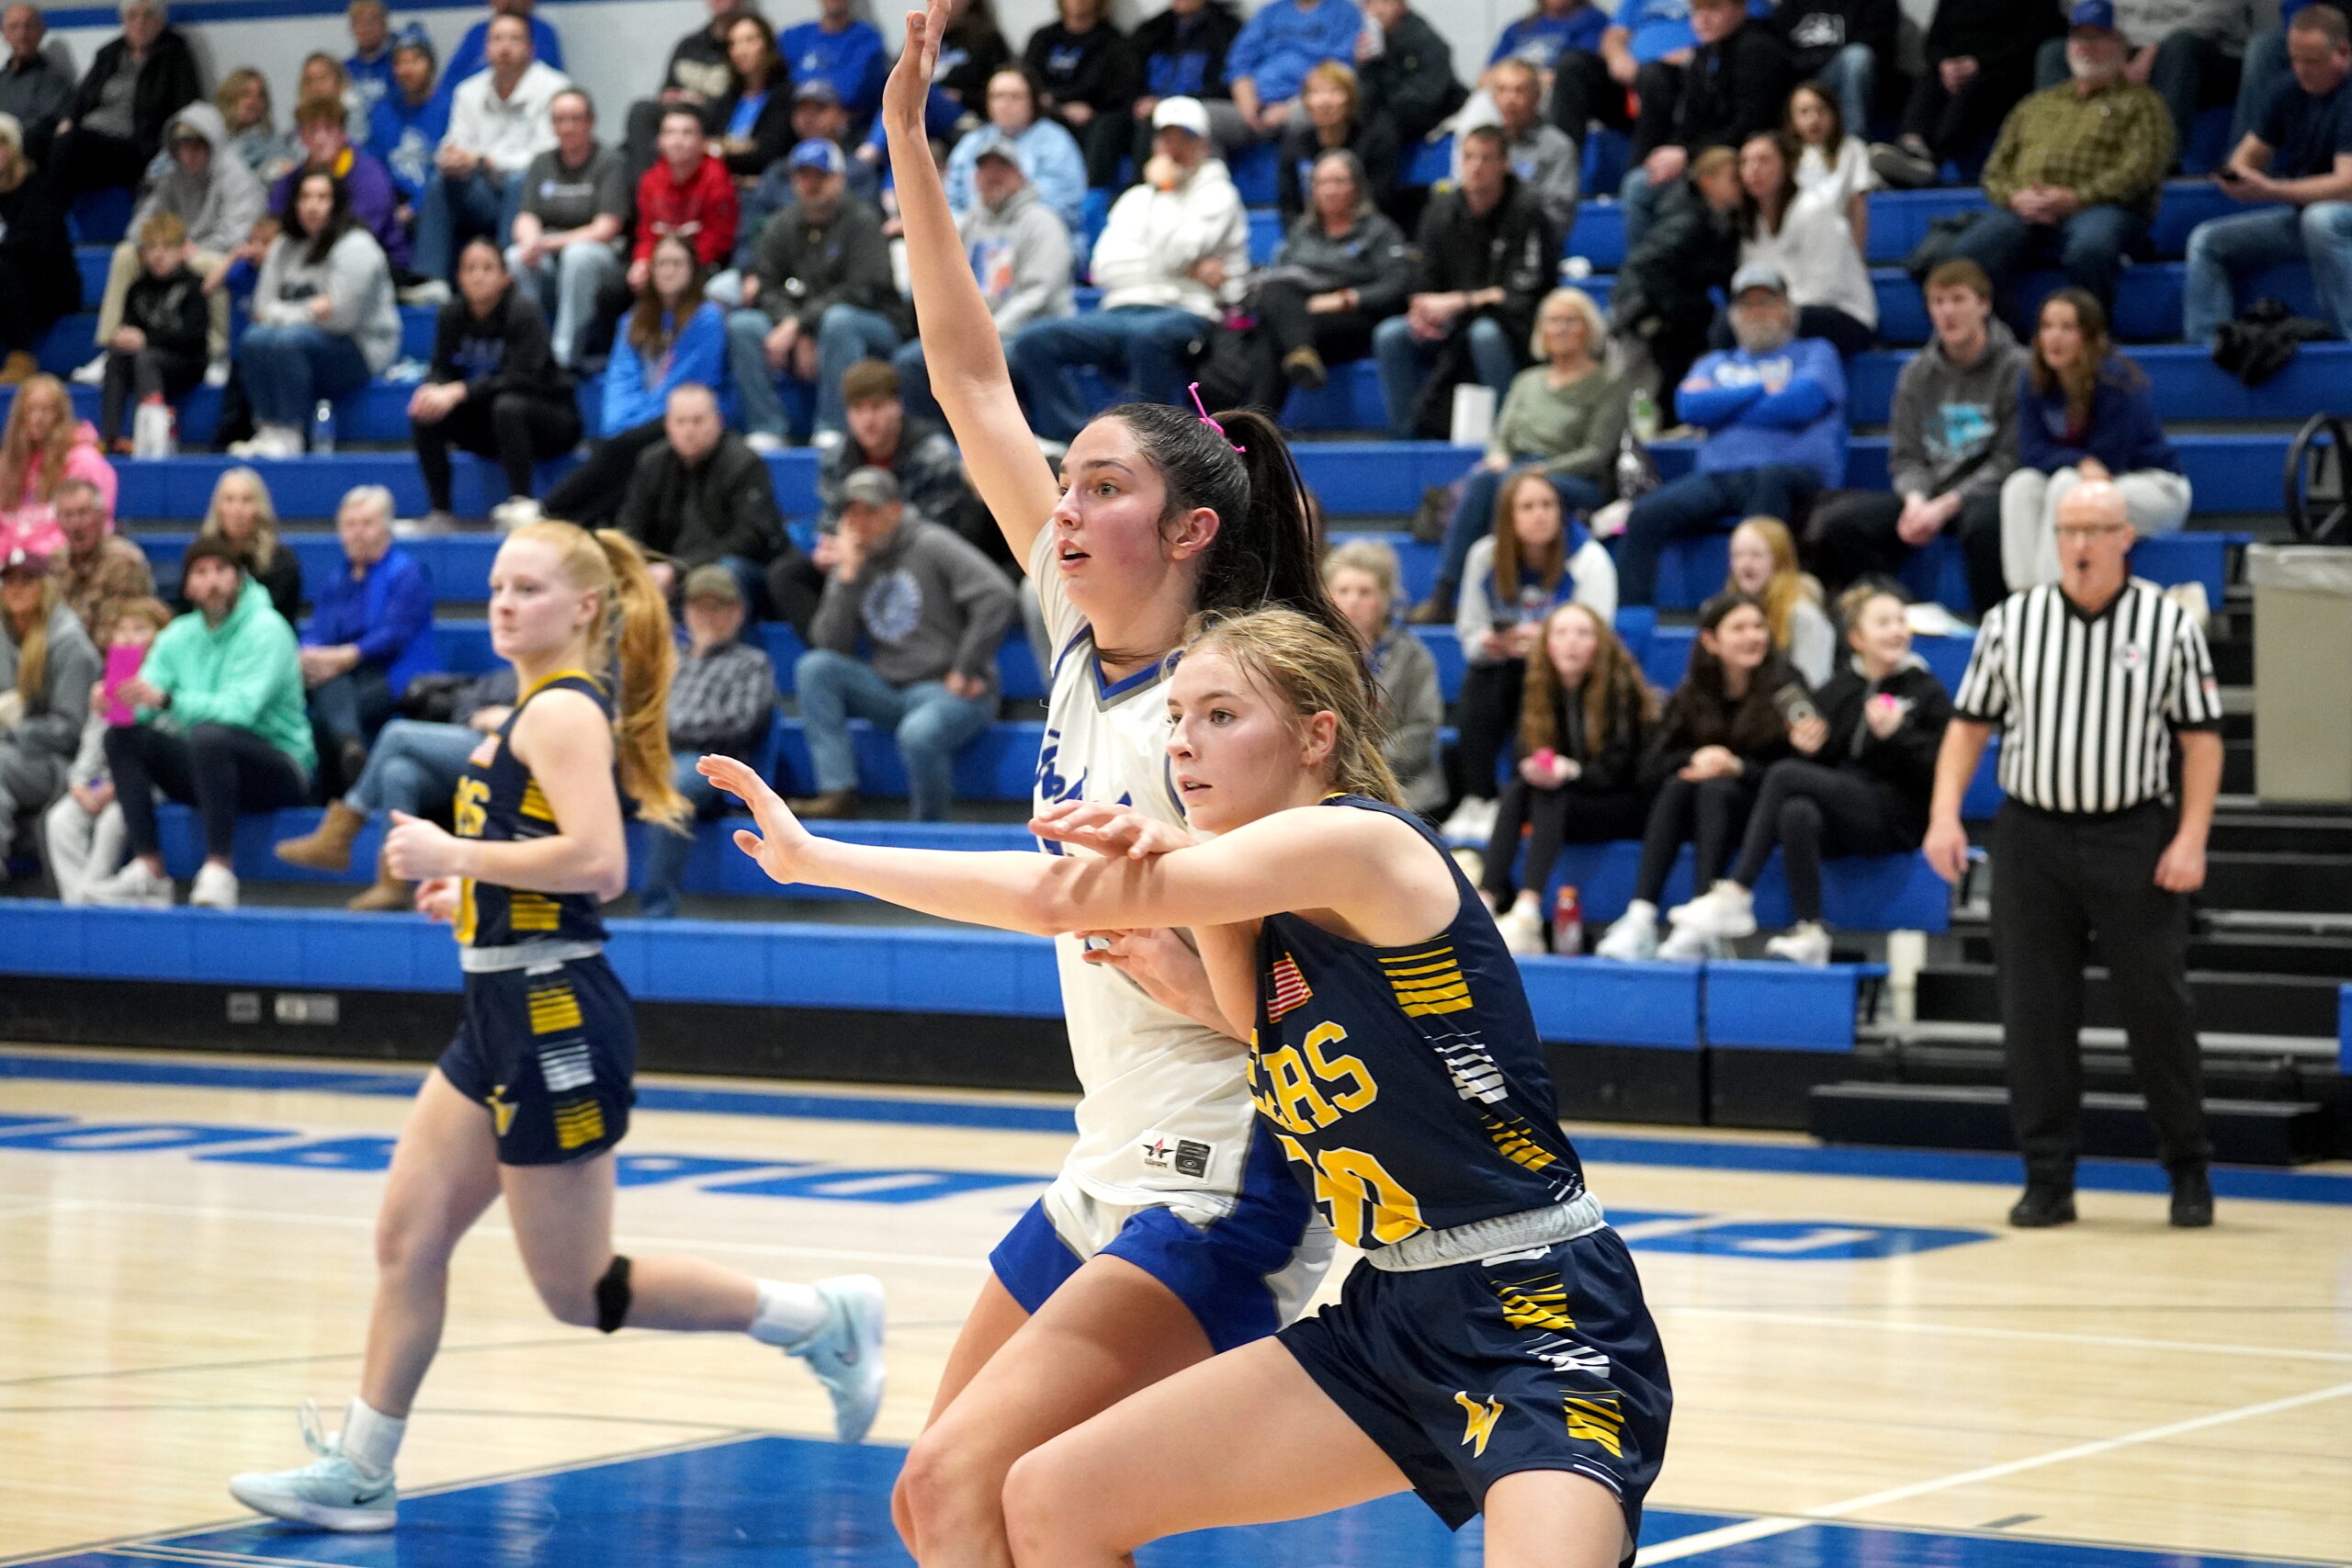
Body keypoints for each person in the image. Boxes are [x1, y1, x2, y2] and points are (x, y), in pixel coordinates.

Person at [700, 605, 1672, 1564]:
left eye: (1220, 715)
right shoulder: (1253, 910)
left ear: (1316, 736)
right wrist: (1180, 896)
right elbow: (1256, 1018)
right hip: (1393, 1313)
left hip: (1536, 1307)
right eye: (1173, 717)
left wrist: (818, 858)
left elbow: (1052, 897)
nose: (1181, 743)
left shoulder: (1362, 843)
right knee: (1053, 1497)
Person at [876, 3, 1363, 1552]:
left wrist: (1188, 965)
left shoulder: (1236, 707)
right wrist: (909, 143)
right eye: (1065, 485)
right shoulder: (1083, 637)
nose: (1065, 511)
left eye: (1103, 487)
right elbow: (969, 377)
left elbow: (1327, 968)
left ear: (1192, 529)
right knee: (939, 1495)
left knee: (976, 1486)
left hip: (1229, 1161)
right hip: (1112, 1146)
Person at [223, 519, 885, 1534]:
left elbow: (600, 863)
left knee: (579, 1290)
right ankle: (360, 1470)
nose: (502, 602)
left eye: (526, 588)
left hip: (552, 1014)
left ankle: (817, 1318)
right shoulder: (527, 710)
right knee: (407, 1237)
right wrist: (469, 892)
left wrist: (455, 853)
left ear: (583, 607)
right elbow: (542, 862)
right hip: (498, 1004)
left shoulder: (564, 712)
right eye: (496, 585)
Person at [1926, 478, 2222, 1228]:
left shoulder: (2167, 622)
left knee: (2157, 1008)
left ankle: (2188, 1167)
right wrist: (1944, 815)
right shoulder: (2013, 621)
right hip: (2033, 837)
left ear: (2126, 537)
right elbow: (1968, 727)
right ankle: (2047, 1177)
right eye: (2068, 530)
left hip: (2134, 834)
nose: (2080, 544)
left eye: (2095, 530)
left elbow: (2201, 741)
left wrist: (2191, 837)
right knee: (2035, 1013)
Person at [1668, 580, 1951, 963]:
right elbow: (1826, 762)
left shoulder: (1927, 690)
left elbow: (1943, 767)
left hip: (1898, 814)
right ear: (1856, 638)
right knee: (1796, 811)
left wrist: (1898, 734)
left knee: (1785, 774)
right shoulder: (1838, 689)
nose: (1896, 631)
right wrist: (1809, 747)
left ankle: (1737, 892)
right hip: (1848, 809)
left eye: (1901, 621)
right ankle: (1811, 931)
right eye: (1883, 623)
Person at [82, 537, 312, 910]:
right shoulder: (178, 635)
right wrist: (114, 701)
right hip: (208, 765)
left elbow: (241, 711)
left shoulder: (267, 629)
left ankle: (219, 870)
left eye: (221, 570)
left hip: (278, 767)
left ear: (239, 579)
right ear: (188, 586)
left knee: (209, 737)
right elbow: (145, 700)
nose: (212, 581)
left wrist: (169, 701)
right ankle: (149, 869)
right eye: (201, 573)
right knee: (122, 736)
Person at [1006, 96, 1247, 443]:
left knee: (1148, 338)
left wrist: (1166, 193)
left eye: (1184, 139)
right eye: (1166, 138)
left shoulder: (1219, 195)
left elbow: (1175, 253)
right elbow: (1105, 266)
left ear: (1204, 146)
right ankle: (1071, 437)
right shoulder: (1134, 198)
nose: (1173, 149)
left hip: (1185, 309)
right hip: (1119, 309)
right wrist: (1186, 267)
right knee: (1034, 339)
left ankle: (1146, 443)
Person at [1593, 589, 1809, 960]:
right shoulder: (1694, 691)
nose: (1753, 636)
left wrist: (1738, 767)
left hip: (1764, 812)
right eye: (1738, 628)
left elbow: (1801, 768)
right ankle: (1641, 915)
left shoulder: (1788, 688)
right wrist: (1696, 756)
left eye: (1758, 627)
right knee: (1680, 785)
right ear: (1711, 641)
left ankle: (1702, 924)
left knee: (1716, 789)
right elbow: (1650, 767)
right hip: (1706, 811)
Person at [788, 467, 1014, 821]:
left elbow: (997, 595)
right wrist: (847, 578)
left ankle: (927, 832)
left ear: (895, 510)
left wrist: (965, 667)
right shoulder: (855, 557)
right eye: (851, 512)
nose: (859, 522)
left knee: (918, 733)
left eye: (869, 510)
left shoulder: (931, 543)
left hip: (951, 689)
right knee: (815, 668)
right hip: (889, 688)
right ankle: (838, 793)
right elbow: (830, 644)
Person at [1617, 266, 1848, 612]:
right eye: (1747, 305)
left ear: (1788, 310)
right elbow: (1689, 406)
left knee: (1768, 482)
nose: (1758, 313)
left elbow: (1800, 403)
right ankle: (1631, 621)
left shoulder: (1816, 353)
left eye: (1767, 303)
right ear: (1734, 317)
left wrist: (1724, 404)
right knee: (1644, 515)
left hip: (1790, 474)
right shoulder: (1715, 362)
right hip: (1719, 477)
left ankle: (1749, 609)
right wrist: (1762, 389)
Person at [1806, 257, 2024, 615]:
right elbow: (1906, 456)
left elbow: (2008, 460)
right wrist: (1916, 501)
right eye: (1938, 302)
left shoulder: (2016, 368)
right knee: (1843, 525)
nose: (1947, 312)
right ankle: (1899, 613)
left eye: (1958, 299)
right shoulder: (1916, 373)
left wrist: (1947, 504)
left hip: (1985, 495)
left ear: (1984, 305)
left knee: (1985, 523)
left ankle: (1992, 625)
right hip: (1929, 494)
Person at [1946, 3, 2174, 330]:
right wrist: (2014, 197)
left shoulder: (2142, 102)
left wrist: (2077, 198)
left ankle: (2090, 341)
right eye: (2079, 38)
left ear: (2122, 46)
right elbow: (1995, 171)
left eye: (2098, 38)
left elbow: (2142, 168)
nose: (2086, 47)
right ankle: (2012, 345)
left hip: (2103, 208)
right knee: (1968, 255)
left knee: (2091, 248)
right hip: (2028, 208)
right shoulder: (2036, 104)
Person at [1422, 287, 1625, 623]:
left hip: (1574, 477)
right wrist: (1498, 454)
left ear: (1588, 329)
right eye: (1553, 321)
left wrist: (1543, 471)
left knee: (1508, 483)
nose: (1560, 329)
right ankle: (1444, 593)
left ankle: (1503, 596)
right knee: (1483, 478)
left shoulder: (1607, 384)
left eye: (1570, 321)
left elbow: (1596, 452)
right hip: (1518, 468)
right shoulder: (1526, 381)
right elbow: (1501, 436)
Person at [1444, 468, 1619, 840]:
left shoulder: (1589, 559)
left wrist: (1543, 642)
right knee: (1482, 678)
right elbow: (1469, 631)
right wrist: (1491, 643)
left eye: (1547, 505)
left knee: (1531, 681)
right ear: (1508, 516)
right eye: (1528, 507)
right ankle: (1479, 798)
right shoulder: (1484, 556)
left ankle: (1517, 801)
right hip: (1502, 666)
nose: (1540, 514)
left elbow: (1595, 639)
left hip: (1565, 676)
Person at [1478, 602, 1657, 953]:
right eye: (1561, 633)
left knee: (1552, 791)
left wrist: (1570, 771)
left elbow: (1621, 771)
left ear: (1600, 644)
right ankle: (1485, 901)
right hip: (1569, 805)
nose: (1571, 642)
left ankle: (1527, 912)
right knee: (1522, 788)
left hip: (1625, 804)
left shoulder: (1621, 689)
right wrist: (1536, 767)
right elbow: (1523, 754)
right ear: (1546, 644)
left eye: (1583, 633)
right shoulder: (1539, 689)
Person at [2183, 3, 2352, 346]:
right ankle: (2210, 350)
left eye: (2312, 61)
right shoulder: (2288, 90)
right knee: (2206, 240)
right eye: (2295, 59)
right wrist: (2236, 175)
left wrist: (2271, 189)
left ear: (2343, 53)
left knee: (2321, 220)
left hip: (2336, 217)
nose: (2302, 70)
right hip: (2305, 217)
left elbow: (2346, 186)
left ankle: (2346, 343)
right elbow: (2248, 155)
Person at [1373, 125, 1555, 439]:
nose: (1476, 167)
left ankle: (1508, 435)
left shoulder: (1527, 210)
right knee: (1391, 335)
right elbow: (1423, 280)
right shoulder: (1440, 210)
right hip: (1453, 321)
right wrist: (1422, 311)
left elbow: (1522, 292)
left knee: (1484, 334)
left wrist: (1461, 301)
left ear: (1504, 164)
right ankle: (1407, 438)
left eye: (1486, 158)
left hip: (1514, 324)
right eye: (1469, 157)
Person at [2002, 288, 2188, 589]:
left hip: (2154, 486)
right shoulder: (2032, 380)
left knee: (2068, 485)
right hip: (2083, 479)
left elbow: (2108, 461)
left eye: (2067, 328)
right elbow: (2030, 452)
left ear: (2089, 336)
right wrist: (2080, 461)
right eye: (2047, 327)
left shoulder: (2115, 378)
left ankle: (2058, 594)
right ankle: (2024, 596)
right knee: (2021, 485)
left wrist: (2076, 464)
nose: (2054, 337)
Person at [729, 138, 905, 446]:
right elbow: (767, 286)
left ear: (839, 179)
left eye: (820, 176)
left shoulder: (862, 221)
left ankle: (834, 427)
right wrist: (792, 325)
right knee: (743, 326)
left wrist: (800, 325)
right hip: (801, 322)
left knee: (839, 321)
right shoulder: (781, 225)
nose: (811, 185)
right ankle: (766, 428)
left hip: (872, 323)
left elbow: (861, 290)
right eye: (803, 176)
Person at [541, 234, 726, 527]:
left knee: (623, 450)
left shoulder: (707, 319)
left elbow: (685, 384)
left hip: (681, 417)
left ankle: (548, 512)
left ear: (693, 270)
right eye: (662, 263)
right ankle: (566, 521)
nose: (669, 271)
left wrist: (634, 428)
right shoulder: (633, 320)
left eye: (677, 263)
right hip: (636, 424)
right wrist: (621, 424)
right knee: (622, 453)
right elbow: (620, 380)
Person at [891, 136, 1074, 426]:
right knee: (911, 360)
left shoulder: (1044, 223)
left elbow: (1038, 294)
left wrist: (989, 335)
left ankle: (1047, 435)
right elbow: (945, 285)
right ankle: (940, 442)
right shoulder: (967, 224)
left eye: (1002, 168)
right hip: (976, 337)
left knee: (1001, 358)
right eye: (984, 169)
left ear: (1020, 176)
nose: (992, 176)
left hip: (1026, 333)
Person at [409, 240, 582, 535]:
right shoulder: (451, 314)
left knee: (508, 406)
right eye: (470, 269)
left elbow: (522, 378)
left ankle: (521, 506)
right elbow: (441, 368)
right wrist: (432, 389)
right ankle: (440, 512)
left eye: (487, 268)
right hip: (491, 424)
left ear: (505, 277)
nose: (478, 276)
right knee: (425, 411)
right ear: (459, 277)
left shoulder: (523, 311)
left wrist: (459, 391)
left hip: (549, 420)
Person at [1219, 148, 1410, 412]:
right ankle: (1298, 358)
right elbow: (1280, 275)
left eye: (1338, 181)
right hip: (1301, 310)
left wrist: (1344, 299)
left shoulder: (1378, 230)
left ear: (1356, 186)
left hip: (1350, 316)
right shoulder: (1302, 231)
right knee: (1271, 294)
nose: (1329, 190)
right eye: (1321, 182)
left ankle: (1252, 424)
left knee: (1272, 335)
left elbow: (1397, 283)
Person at [226, 171, 401, 459]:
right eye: (305, 197)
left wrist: (283, 314)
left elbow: (340, 319)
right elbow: (260, 310)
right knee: (253, 339)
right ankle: (268, 429)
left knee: (287, 341)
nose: (313, 206)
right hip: (305, 341)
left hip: (360, 348)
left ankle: (292, 433)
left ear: (337, 203)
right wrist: (310, 310)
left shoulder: (356, 246)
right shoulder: (283, 245)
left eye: (322, 197)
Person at [79, 104, 253, 385]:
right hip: (175, 248)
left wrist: (190, 248)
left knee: (213, 265)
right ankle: (113, 346)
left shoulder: (235, 176)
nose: (190, 154)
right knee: (126, 253)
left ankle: (217, 353)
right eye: (183, 146)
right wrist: (156, 245)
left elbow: (238, 233)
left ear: (213, 145)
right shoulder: (171, 177)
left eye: (198, 146)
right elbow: (140, 225)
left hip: (214, 252)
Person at [639, 563, 775, 918]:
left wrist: (664, 731)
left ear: (738, 612)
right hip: (651, 758)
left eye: (719, 606)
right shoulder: (669, 661)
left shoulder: (751, 663)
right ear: (686, 611)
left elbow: (741, 724)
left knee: (674, 786)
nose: (709, 616)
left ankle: (656, 914)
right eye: (700, 606)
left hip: (708, 766)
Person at [1619, 0, 1791, 248]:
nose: (1703, 19)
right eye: (1696, 11)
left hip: (1744, 153)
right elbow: (1691, 124)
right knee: (1642, 180)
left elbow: (1750, 126)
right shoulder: (1704, 54)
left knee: (1643, 189)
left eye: (1713, 8)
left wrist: (1686, 155)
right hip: (1707, 153)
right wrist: (1674, 151)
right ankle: (1649, 266)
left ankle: (1650, 267)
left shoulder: (1758, 49)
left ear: (1740, 8)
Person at [415, 12, 569, 285]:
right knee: (441, 182)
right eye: (497, 40)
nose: (504, 48)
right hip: (484, 191)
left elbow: (548, 156)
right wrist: (450, 158)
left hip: (538, 193)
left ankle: (504, 277)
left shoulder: (555, 88)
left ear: (530, 48)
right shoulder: (468, 91)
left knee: (518, 181)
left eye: (514, 40)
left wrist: (487, 160)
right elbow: (455, 141)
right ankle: (431, 280)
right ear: (486, 49)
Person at [615, 383, 791, 615]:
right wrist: (641, 567)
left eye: (698, 421)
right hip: (668, 569)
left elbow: (749, 538)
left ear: (718, 421)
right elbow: (630, 525)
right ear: (668, 426)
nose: (689, 431)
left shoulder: (744, 463)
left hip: (737, 569)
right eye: (681, 422)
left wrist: (678, 569)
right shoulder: (652, 462)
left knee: (722, 574)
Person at [301, 485, 434, 793]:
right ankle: (350, 748)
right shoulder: (337, 579)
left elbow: (394, 635)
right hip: (344, 677)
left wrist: (345, 656)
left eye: (367, 524)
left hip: (394, 676)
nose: (357, 533)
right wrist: (306, 654)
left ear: (386, 528)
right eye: (350, 525)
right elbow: (317, 633)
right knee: (327, 686)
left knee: (327, 708)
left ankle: (336, 794)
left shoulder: (407, 573)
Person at [41, 593, 171, 901]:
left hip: (147, 786)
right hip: (99, 783)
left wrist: (113, 789)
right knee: (60, 819)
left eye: (140, 629)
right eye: (122, 630)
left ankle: (93, 890)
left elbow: (165, 744)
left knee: (113, 819)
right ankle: (77, 901)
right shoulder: (105, 686)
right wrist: (79, 784)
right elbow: (91, 744)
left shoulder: (163, 684)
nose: (128, 637)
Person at [2028, 0, 2254, 167]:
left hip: (2204, 49)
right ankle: (2051, 159)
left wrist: (2151, 50)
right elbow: (2081, 9)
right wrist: (2115, 49)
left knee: (2180, 48)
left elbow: (2217, 14)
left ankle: (2162, 163)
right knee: (2053, 53)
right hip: (2118, 44)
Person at [1609, 144, 1744, 420]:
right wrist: (1685, 308)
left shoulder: (1718, 222)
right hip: (1644, 314)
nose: (1741, 185)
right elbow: (1648, 265)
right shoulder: (1689, 221)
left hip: (1671, 316)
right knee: (1642, 389)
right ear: (1707, 182)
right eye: (1733, 178)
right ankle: (1643, 432)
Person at [1870, 0, 2065, 187]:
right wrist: (1944, 64)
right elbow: (1934, 39)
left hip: (2003, 69)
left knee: (1970, 93)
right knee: (1927, 82)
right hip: (1952, 67)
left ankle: (1933, 159)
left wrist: (1980, 63)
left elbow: (2037, 36)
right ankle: (1911, 145)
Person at [816, 359, 992, 566]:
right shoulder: (836, 458)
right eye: (857, 409)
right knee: (795, 571)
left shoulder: (934, 456)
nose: (867, 420)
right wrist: (831, 548)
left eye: (876, 407)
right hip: (856, 555)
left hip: (926, 561)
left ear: (897, 405)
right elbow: (831, 521)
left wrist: (863, 548)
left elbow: (936, 532)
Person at [506, 86, 627, 371]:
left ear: (591, 122)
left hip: (597, 258)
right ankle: (530, 348)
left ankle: (563, 356)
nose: (567, 127)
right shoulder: (542, 162)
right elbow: (525, 217)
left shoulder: (609, 161)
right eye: (560, 120)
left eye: (575, 119)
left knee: (578, 255)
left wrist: (547, 243)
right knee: (515, 257)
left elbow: (606, 228)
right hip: (550, 256)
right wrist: (531, 242)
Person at [1323, 538, 1442, 816]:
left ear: (1384, 598)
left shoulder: (1413, 655)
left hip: (1405, 787)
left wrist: (1363, 765)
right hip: (1328, 787)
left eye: (1365, 592)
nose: (1353, 601)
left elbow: (1423, 729)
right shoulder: (1316, 653)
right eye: (1343, 590)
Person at [1731, 129, 1875, 356]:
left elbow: (1825, 287)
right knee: (1725, 326)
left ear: (1789, 166)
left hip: (1840, 312)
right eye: (1745, 162)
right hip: (1778, 311)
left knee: (1798, 321)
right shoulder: (1752, 222)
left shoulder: (1816, 209)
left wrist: (1771, 310)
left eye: (1764, 160)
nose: (1753, 169)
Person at [0, 538, 97, 866]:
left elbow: (71, 730)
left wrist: (15, 729)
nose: (16, 589)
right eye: (9, 581)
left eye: (26, 581)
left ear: (44, 588)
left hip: (61, 763)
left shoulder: (70, 645)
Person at [52, 0, 200, 198]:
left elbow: (189, 108)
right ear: (124, 21)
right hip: (89, 135)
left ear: (160, 22)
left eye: (148, 15)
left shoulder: (174, 56)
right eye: (132, 16)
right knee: (37, 138)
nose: (140, 23)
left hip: (133, 146)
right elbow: (82, 96)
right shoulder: (109, 54)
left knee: (67, 146)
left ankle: (51, 211)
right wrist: (68, 119)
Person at [98, 211, 207, 454]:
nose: (159, 255)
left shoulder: (193, 286)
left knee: (146, 358)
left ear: (181, 251)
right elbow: (131, 326)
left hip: (186, 362)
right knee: (117, 357)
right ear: (143, 254)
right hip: (147, 358)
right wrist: (124, 337)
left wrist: (146, 340)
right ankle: (111, 436)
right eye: (152, 248)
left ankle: (153, 436)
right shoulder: (137, 288)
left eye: (167, 247)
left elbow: (193, 338)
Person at [271, 93, 409, 273]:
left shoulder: (369, 175)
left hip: (379, 262)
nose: (320, 139)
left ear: (343, 134)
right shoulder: (293, 179)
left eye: (329, 129)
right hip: (313, 262)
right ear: (302, 136)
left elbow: (363, 233)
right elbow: (275, 220)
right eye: (312, 130)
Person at [946, 67, 1087, 232]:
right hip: (977, 234)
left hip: (1035, 234)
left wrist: (1009, 204)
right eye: (998, 96)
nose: (1005, 104)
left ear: (1033, 100)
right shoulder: (973, 142)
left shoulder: (1055, 140)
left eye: (1015, 96)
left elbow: (1066, 202)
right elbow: (950, 199)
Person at [1024, 0, 1140, 189]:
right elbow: (1028, 81)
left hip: (1092, 115)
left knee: (1106, 126)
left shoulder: (1112, 40)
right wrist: (1059, 106)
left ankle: (1089, 192)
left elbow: (1118, 90)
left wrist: (1087, 107)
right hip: (1049, 109)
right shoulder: (1043, 37)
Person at [625, 0, 745, 179]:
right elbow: (666, 90)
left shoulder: (743, 48)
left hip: (716, 119)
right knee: (641, 111)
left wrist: (699, 100)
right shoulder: (689, 45)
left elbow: (747, 95)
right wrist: (674, 97)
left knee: (690, 124)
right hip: (678, 111)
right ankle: (647, 188)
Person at [0, 110, 76, 385]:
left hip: (49, 282)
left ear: (14, 148)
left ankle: (21, 357)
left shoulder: (37, 187)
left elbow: (39, 245)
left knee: (5, 265)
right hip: (9, 285)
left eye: (1, 144)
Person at [0, 375, 117, 553]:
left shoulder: (84, 460)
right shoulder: (8, 463)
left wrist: (33, 556)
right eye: (29, 410)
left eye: (46, 410)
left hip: (63, 561)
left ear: (60, 414)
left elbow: (91, 527)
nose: (37, 418)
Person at [1274, 60, 1398, 223]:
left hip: (1365, 229)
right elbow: (1289, 205)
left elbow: (1380, 198)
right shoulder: (1296, 144)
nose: (1324, 102)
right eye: (1316, 92)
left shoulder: (1375, 139)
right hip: (1310, 232)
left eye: (1334, 91)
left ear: (1350, 99)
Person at [634, 103, 740, 290]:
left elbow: (718, 240)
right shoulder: (650, 180)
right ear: (659, 140)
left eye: (687, 133)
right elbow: (646, 234)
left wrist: (678, 265)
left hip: (703, 265)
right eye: (670, 133)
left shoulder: (717, 178)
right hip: (660, 264)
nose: (677, 141)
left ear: (703, 141)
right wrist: (642, 261)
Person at [1226, 0, 1363, 143]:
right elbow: (1239, 63)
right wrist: (1247, 104)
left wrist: (1289, 108)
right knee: (1211, 122)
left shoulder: (1344, 13)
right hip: (1255, 104)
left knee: (1301, 119)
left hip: (1306, 101)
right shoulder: (1271, 13)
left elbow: (1337, 72)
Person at [1471, 56, 1577, 234]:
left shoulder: (1558, 147)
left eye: (1519, 90)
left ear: (1537, 95)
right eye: (1502, 90)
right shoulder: (1482, 144)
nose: (1510, 99)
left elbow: (1559, 214)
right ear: (1493, 96)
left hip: (1532, 238)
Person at [1724, 514, 1836, 684]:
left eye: (1756, 555)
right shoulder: (1725, 611)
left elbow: (1813, 684)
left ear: (1779, 561)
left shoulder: (1802, 615)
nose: (1745, 565)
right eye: (1738, 555)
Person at [1128, 0, 1248, 157]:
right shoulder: (1152, 30)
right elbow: (1129, 75)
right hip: (1149, 105)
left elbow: (1224, 85)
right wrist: (1140, 99)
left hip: (1198, 104)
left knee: (1161, 120)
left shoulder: (1226, 30)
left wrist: (1168, 103)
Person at [1772, 0, 1897, 144]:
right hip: (1802, 79)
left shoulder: (1874, 5)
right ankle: (1787, 148)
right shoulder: (1791, 6)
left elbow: (1879, 45)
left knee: (1857, 57)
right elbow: (1779, 51)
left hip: (1848, 76)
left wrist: (1817, 58)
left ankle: (1853, 144)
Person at [48, 478, 153, 639]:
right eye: (67, 515)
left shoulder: (124, 561)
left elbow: (127, 630)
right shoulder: (54, 561)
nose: (75, 524)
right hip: (63, 650)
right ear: (57, 520)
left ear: (102, 516)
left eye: (83, 513)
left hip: (113, 650)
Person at [196, 467, 300, 624]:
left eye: (247, 500)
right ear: (218, 508)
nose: (237, 510)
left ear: (260, 508)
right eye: (229, 499)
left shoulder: (281, 561)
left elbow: (278, 619)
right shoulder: (201, 557)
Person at [1356, 0, 1465, 148]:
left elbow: (1428, 95)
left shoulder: (1425, 40)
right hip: (1395, 116)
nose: (1378, 11)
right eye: (1370, 4)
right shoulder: (1374, 43)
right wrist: (1365, 66)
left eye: (1385, 2)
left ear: (1401, 5)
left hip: (1437, 115)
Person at [368, 24, 448, 222]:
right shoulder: (383, 111)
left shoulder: (450, 107)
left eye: (415, 60)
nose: (407, 69)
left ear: (431, 64)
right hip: (393, 205)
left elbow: (447, 172)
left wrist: (415, 207)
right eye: (400, 62)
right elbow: (374, 166)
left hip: (439, 206)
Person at [1786, 79, 1875, 249]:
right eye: (1804, 112)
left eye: (1821, 110)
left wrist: (1857, 254)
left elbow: (1858, 206)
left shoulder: (1852, 148)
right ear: (1791, 120)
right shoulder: (1783, 154)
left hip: (1838, 244)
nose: (1814, 119)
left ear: (1834, 113)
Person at [782, 0, 890, 134]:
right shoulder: (794, 37)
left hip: (848, 133)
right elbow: (780, 89)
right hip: (794, 132)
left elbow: (853, 93)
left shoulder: (867, 40)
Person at [708, 12, 793, 183]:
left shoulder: (785, 96)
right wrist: (742, 148)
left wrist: (722, 149)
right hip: (723, 185)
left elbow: (767, 155)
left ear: (767, 45)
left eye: (749, 40)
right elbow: (706, 146)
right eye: (734, 43)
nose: (741, 51)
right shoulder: (726, 100)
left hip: (766, 186)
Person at [0, 4, 74, 164]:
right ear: (4, 34)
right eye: (14, 27)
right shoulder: (2, 80)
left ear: (42, 30)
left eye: (29, 26)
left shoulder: (54, 81)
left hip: (26, 163)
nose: (22, 34)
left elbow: (46, 129)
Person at [442, 0, 565, 88]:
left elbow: (555, 85)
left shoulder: (543, 33)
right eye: (497, 39)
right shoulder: (477, 32)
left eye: (515, 39)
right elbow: (449, 84)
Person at [217, 68, 299, 185]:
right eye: (245, 94)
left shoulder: (274, 144)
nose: (253, 102)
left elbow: (290, 167)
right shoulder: (214, 140)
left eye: (260, 95)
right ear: (230, 97)